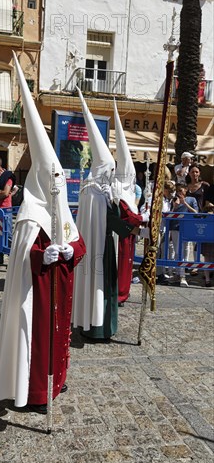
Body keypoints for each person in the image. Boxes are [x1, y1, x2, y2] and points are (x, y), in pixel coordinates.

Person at [0, 54, 86, 414]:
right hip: (36, 297)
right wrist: (37, 256)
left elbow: (79, 245)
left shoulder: (62, 210)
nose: (58, 186)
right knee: (35, 341)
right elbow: (19, 262)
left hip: (60, 291)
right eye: (54, 180)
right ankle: (32, 391)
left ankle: (56, 381)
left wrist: (68, 253)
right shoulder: (29, 214)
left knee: (57, 339)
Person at [72, 89, 147, 342]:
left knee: (89, 285)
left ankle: (85, 322)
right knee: (101, 287)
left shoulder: (87, 189)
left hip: (89, 249)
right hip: (101, 249)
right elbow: (113, 221)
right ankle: (99, 328)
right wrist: (138, 230)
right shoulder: (99, 192)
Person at [111, 99, 149, 307]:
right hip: (121, 236)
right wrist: (142, 218)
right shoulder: (118, 191)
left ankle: (123, 293)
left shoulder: (125, 190)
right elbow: (127, 214)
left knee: (126, 266)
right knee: (120, 266)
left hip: (129, 236)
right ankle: (119, 294)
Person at [170, 183, 198, 288]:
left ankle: (182, 275)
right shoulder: (173, 200)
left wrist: (185, 203)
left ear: (186, 190)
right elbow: (169, 214)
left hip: (187, 228)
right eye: (178, 191)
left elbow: (196, 212)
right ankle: (179, 274)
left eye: (182, 191)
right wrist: (174, 206)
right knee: (177, 251)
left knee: (184, 251)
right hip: (175, 227)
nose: (180, 193)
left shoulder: (191, 200)